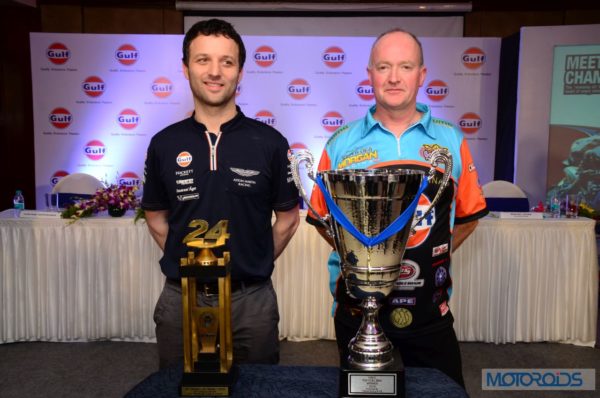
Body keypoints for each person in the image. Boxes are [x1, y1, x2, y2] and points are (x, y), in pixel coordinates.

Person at [307, 28, 488, 388]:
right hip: (358, 309)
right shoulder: (341, 143)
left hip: (429, 311)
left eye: (405, 66)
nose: (393, 77)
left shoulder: (450, 140)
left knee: (443, 392)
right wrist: (368, 260)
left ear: (421, 75)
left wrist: (430, 253)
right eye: (384, 66)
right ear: (370, 74)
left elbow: (466, 218)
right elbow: (321, 220)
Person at [142, 18, 300, 369]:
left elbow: (288, 219)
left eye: (226, 62)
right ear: (185, 69)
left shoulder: (271, 143)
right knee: (177, 389)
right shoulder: (163, 144)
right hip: (181, 296)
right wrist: (193, 264)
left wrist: (253, 259)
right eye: (203, 60)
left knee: (259, 390)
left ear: (240, 72)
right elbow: (155, 217)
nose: (215, 72)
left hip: (251, 302)